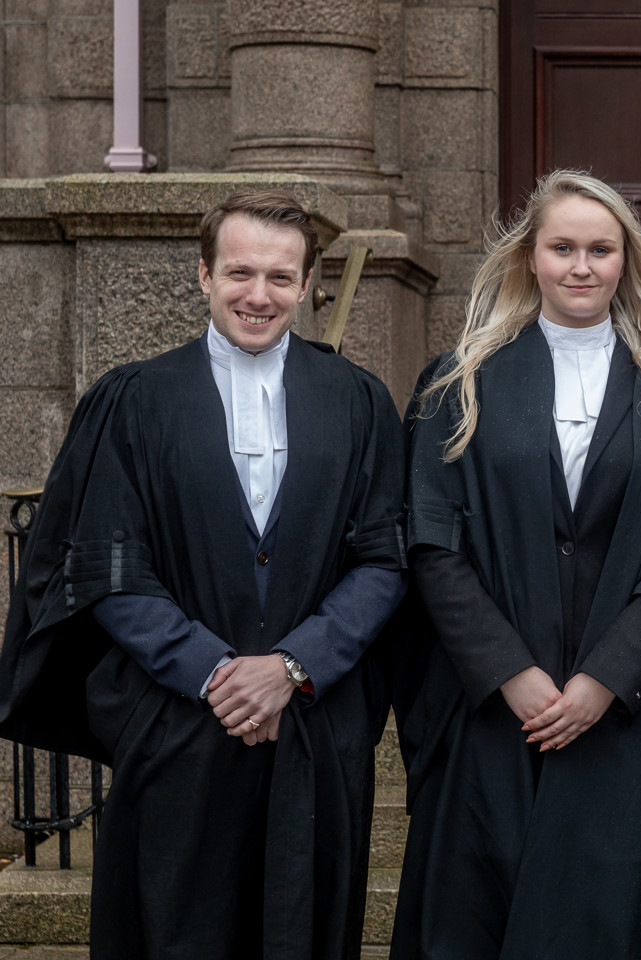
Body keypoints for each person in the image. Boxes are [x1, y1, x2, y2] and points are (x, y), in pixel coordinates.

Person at [0, 190, 407, 958]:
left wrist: (293, 667)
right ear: (203, 275)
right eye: (240, 272)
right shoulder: (135, 401)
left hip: (311, 727)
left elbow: (383, 558)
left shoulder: (357, 403)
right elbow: (107, 564)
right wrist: (218, 673)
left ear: (308, 283)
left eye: (281, 278)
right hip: (179, 719)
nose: (259, 295)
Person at [391, 169, 641, 959]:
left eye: (600, 249)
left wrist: (602, 682)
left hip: (628, 715)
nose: (581, 266)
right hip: (492, 716)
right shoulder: (458, 385)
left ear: (628, 262)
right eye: (562, 248)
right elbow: (432, 544)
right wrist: (509, 673)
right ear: (530, 258)